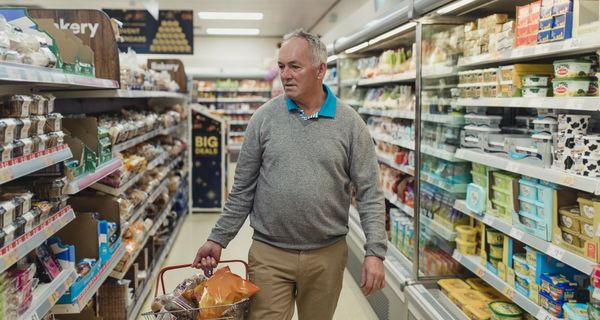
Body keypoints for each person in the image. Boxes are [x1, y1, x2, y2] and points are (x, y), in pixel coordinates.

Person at [192, 29, 387, 320]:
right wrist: (218, 238)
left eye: (295, 66)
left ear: (320, 69)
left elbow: (370, 191)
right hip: (270, 254)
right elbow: (242, 189)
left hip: (327, 255)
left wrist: (375, 251)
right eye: (281, 66)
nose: (285, 75)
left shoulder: (350, 124)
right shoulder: (263, 119)